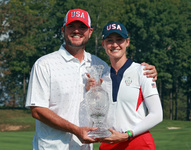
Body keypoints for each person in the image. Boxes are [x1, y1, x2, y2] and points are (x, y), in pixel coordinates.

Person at [25, 8, 158, 150]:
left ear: (90, 32)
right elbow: (37, 110)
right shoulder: (45, 64)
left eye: (82, 27)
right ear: (63, 30)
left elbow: (120, 83)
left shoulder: (100, 65)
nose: (77, 31)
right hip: (51, 146)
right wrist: (75, 129)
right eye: (71, 26)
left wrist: (147, 70)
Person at [89, 22, 163, 150]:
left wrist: (128, 134)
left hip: (137, 141)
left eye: (119, 40)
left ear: (127, 42)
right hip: (109, 143)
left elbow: (157, 114)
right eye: (109, 40)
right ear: (103, 44)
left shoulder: (142, 71)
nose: (115, 45)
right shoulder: (102, 77)